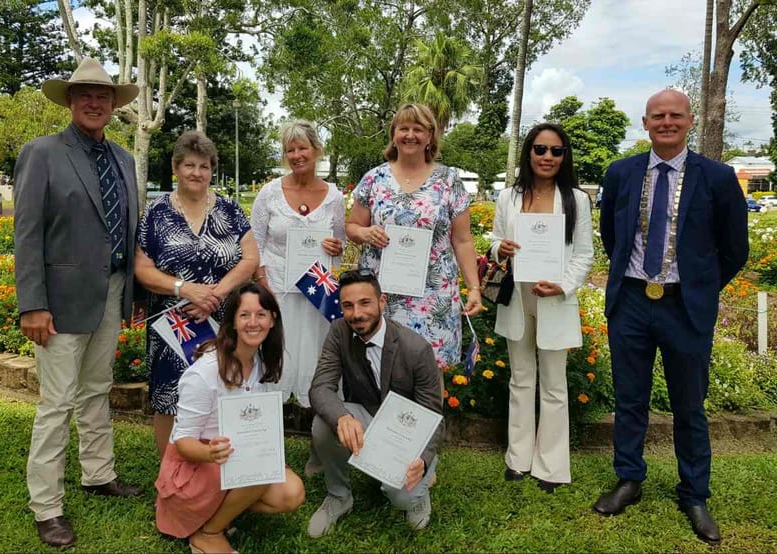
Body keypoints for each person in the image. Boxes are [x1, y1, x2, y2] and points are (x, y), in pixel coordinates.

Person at [595, 89, 748, 544]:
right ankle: (629, 479)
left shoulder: (718, 178)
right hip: (633, 302)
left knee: (689, 405)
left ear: (690, 121)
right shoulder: (621, 174)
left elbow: (735, 248)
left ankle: (694, 494)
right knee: (630, 398)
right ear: (645, 123)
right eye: (657, 116)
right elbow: (611, 234)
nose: (666, 122)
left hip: (686, 306)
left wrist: (700, 288)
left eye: (675, 116)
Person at [14, 57, 142, 548]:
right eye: (84, 94)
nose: (94, 102)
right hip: (60, 303)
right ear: (70, 101)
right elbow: (27, 234)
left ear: (114, 105)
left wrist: (130, 294)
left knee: (96, 391)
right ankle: (46, 507)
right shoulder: (42, 153)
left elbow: (128, 233)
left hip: (110, 293)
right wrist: (31, 304)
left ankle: (98, 474)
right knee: (56, 404)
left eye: (103, 96)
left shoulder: (124, 159)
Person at [135, 131, 260, 458]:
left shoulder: (229, 209)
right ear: (176, 167)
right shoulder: (157, 212)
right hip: (173, 323)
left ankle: (223, 466)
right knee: (169, 397)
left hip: (222, 320)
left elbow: (250, 258)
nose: (196, 173)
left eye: (204, 166)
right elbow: (142, 267)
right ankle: (171, 476)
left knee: (224, 389)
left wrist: (216, 293)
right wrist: (184, 288)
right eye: (189, 165)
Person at [155, 283, 305, 554]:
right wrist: (210, 452)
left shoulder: (259, 362)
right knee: (257, 469)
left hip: (231, 459)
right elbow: (181, 442)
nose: (253, 323)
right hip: (197, 465)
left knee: (291, 492)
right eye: (244, 315)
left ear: (272, 320)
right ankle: (208, 534)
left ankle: (216, 517)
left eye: (261, 315)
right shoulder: (204, 373)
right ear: (233, 322)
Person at [490, 123, 593, 492]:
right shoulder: (509, 197)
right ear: (528, 153)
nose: (547, 157)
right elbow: (495, 239)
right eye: (540, 149)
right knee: (520, 379)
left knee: (553, 383)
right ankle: (518, 459)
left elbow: (584, 255)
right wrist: (498, 249)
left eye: (556, 151)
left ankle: (550, 465)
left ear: (564, 156)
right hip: (517, 297)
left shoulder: (577, 200)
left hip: (555, 298)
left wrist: (563, 286)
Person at [306, 269, 443, 537]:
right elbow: (321, 387)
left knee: (401, 498)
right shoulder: (338, 332)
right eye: (348, 306)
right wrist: (342, 417)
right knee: (324, 422)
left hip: (406, 432)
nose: (356, 313)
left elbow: (433, 415)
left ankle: (422, 485)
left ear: (382, 302)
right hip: (366, 415)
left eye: (365, 303)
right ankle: (339, 496)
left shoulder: (416, 349)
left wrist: (424, 460)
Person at [346, 103, 482, 368]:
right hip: (381, 291)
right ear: (393, 134)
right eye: (403, 128)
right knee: (380, 366)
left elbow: (462, 239)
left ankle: (429, 412)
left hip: (433, 294)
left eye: (418, 129)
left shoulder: (448, 180)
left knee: (429, 370)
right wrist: (365, 232)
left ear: (430, 136)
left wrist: (474, 288)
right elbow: (352, 226)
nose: (410, 135)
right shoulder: (374, 178)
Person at [250, 120, 345, 406]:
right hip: (277, 289)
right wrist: (262, 280)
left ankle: (318, 422)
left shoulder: (334, 196)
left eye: (302, 147)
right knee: (273, 356)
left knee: (315, 358)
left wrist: (335, 247)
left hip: (316, 292)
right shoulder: (269, 193)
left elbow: (340, 244)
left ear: (316, 150)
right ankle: (263, 429)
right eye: (290, 150)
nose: (296, 155)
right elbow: (255, 241)